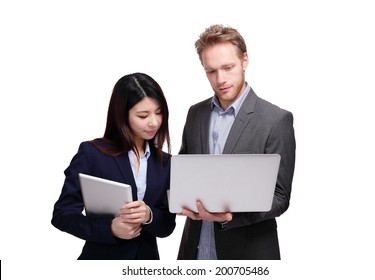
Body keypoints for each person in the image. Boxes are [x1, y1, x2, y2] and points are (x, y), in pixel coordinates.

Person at [177, 24, 296, 260]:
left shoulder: (276, 120)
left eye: (228, 67)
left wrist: (230, 216)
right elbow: (183, 173)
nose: (220, 79)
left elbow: (280, 198)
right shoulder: (195, 114)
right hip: (195, 249)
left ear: (244, 60)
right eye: (211, 71)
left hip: (248, 254)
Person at [51, 72, 176, 260]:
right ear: (122, 115)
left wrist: (149, 215)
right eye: (143, 115)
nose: (154, 122)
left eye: (159, 113)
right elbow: (63, 215)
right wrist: (110, 229)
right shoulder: (92, 154)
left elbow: (167, 226)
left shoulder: (165, 162)